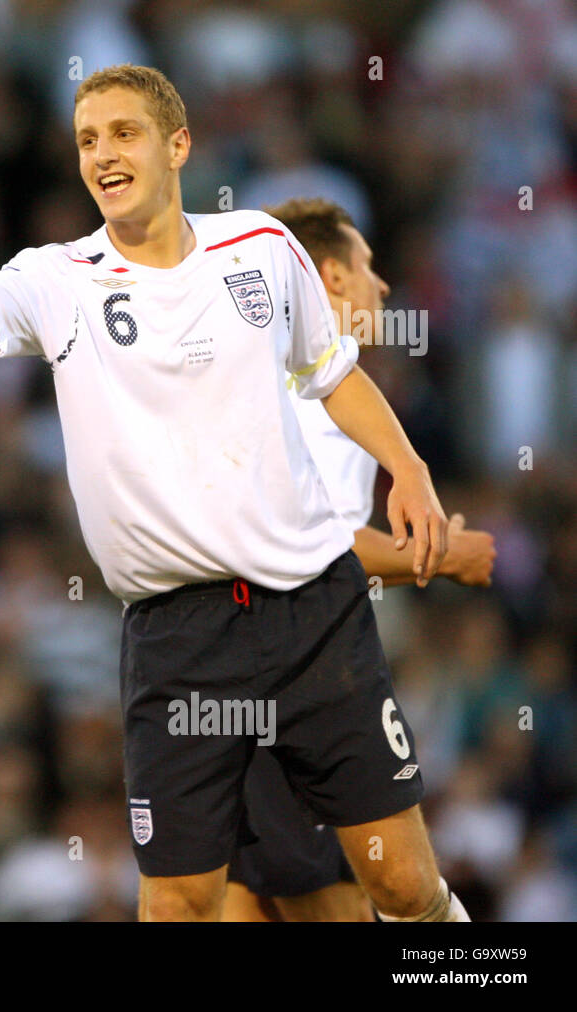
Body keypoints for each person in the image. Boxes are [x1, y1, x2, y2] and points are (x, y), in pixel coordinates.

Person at [0, 64, 469, 922]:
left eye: (124, 133)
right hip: (177, 638)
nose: (102, 154)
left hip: (313, 614)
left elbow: (335, 372)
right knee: (177, 902)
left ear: (178, 145)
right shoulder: (60, 278)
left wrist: (413, 471)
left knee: (398, 883)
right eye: (87, 140)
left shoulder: (261, 248)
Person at [222, 197, 497, 922]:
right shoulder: (316, 395)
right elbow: (323, 543)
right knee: (373, 895)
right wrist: (441, 556)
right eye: (369, 269)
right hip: (294, 676)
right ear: (333, 279)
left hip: (227, 671)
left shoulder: (271, 377)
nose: (382, 288)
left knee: (247, 899)